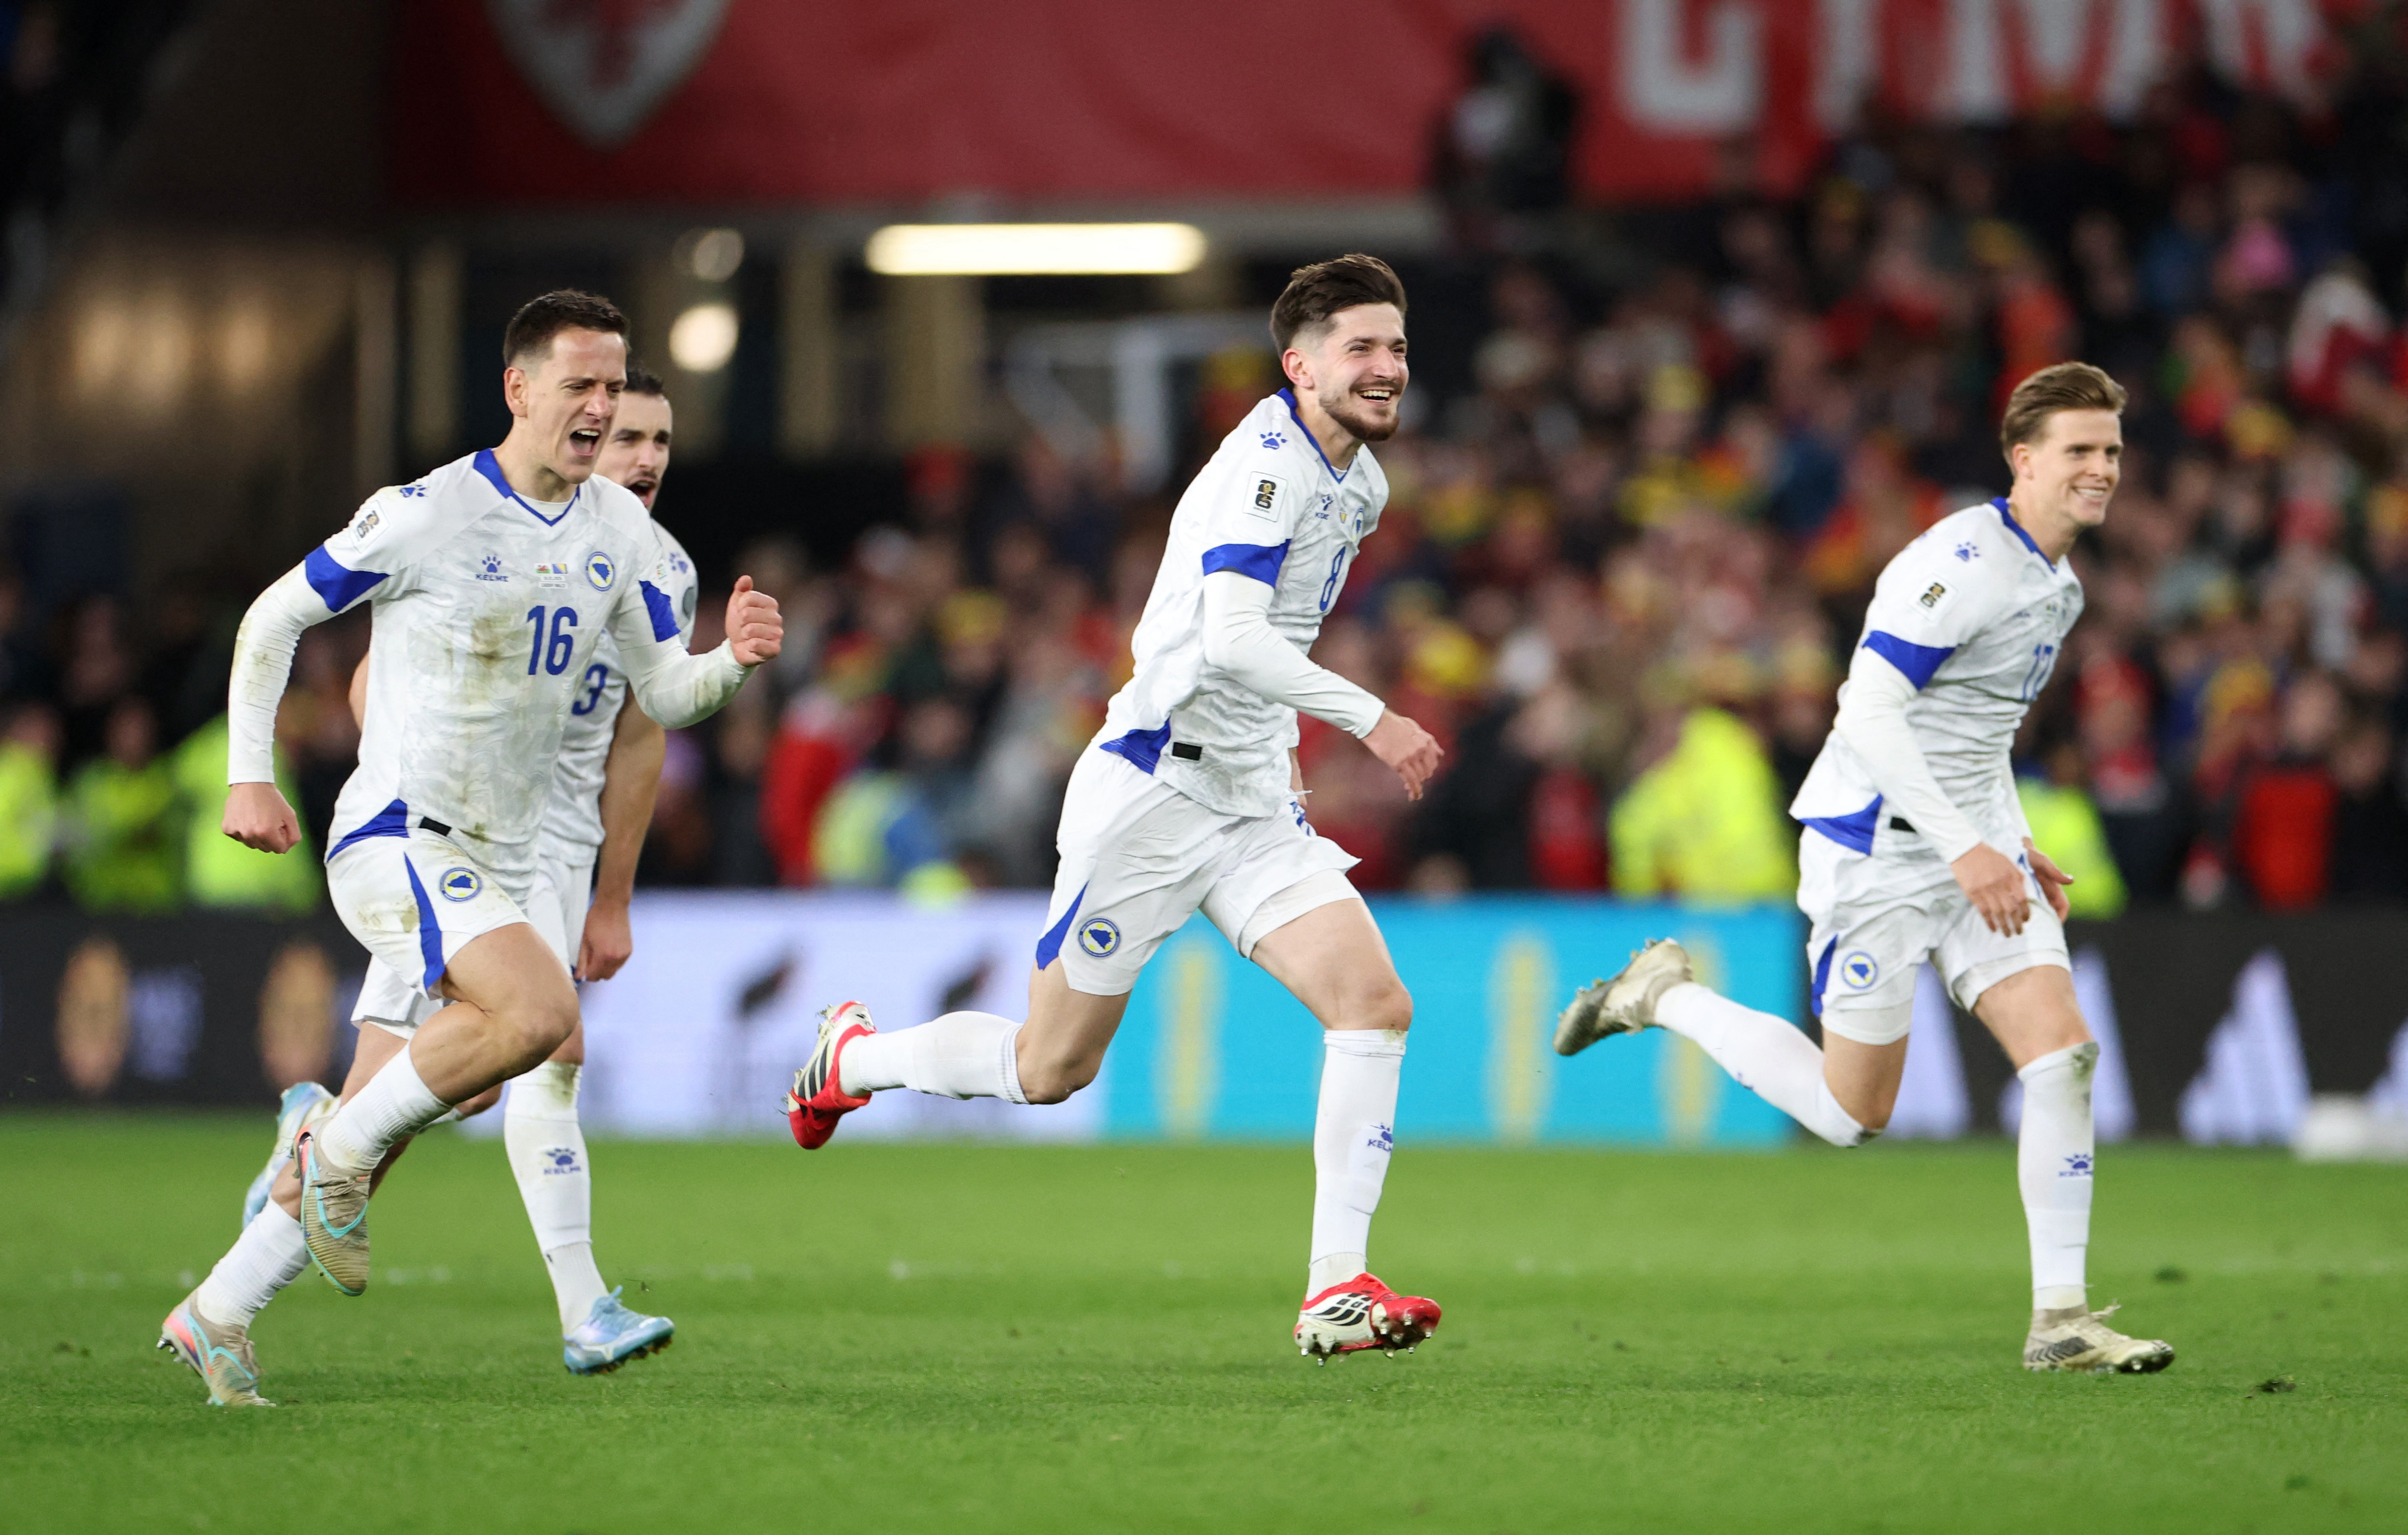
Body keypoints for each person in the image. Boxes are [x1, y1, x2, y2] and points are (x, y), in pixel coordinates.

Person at [780, 255, 1450, 1361]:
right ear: (1301, 367)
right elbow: (1232, 636)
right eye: (1361, 350)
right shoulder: (1266, 469)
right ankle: (850, 1060)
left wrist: (1276, 750)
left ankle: (1335, 1288)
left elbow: (1253, 645)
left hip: (1245, 799)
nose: (1387, 369)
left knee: (1374, 1003)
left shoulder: (1362, 482)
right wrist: (1368, 716)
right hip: (1151, 793)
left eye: (1396, 347)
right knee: (1051, 1069)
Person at [160, 293, 779, 1408]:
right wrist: (248, 771)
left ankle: (221, 1305)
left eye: (617, 389)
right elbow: (273, 618)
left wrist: (729, 660)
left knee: (461, 1079)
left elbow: (660, 694)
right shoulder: (429, 513)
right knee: (541, 1026)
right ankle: (353, 1162)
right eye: (583, 388)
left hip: (496, 859)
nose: (600, 411)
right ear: (520, 389)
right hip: (400, 838)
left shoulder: (622, 536)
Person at [1556, 362, 2176, 1376]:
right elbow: (1870, 713)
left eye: (2110, 450)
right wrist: (1968, 845)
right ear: (2024, 460)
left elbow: (1976, 735)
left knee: (2061, 1056)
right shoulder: (1961, 563)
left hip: (1971, 853)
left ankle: (2060, 1318)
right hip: (1876, 856)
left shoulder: (2055, 584)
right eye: (2079, 451)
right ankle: (1660, 996)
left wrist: (2008, 838)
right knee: (1852, 1115)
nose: (2101, 469)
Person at [234, 369, 696, 1378]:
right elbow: (369, 677)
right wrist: (423, 773)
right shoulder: (476, 524)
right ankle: (582, 1306)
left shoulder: (654, 564)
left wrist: (612, 894)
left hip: (556, 846)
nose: (643, 455)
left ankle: (227, 1298)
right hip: (457, 846)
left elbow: (644, 737)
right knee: (533, 1049)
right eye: (625, 434)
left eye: (659, 439)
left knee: (458, 1091)